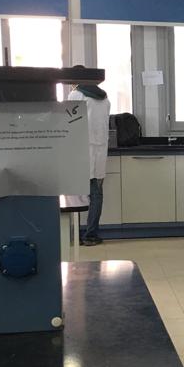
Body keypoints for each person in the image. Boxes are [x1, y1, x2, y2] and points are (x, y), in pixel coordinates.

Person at [71, 79, 111, 246]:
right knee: (96, 194)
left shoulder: (76, 95)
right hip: (99, 150)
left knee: (72, 197)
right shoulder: (104, 98)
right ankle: (91, 234)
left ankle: (72, 235)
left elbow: (69, 122)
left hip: (81, 150)